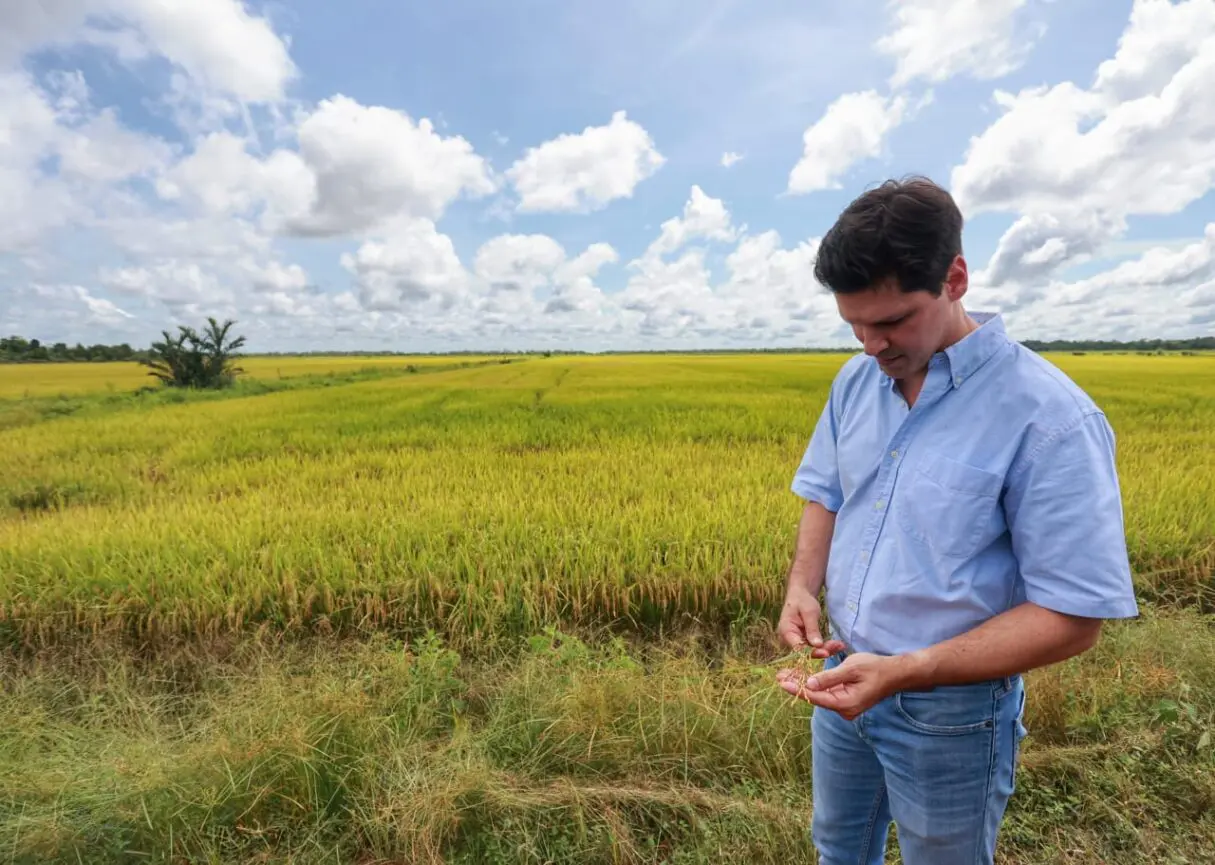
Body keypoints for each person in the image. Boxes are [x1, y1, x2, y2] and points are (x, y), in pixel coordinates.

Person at [773, 176, 1140, 864]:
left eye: (890, 321)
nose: (869, 344)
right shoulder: (855, 381)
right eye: (852, 323)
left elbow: (1073, 616)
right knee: (836, 850)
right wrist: (801, 586)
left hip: (951, 712)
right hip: (843, 670)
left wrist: (907, 669)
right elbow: (824, 489)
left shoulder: (1050, 418)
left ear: (955, 278)